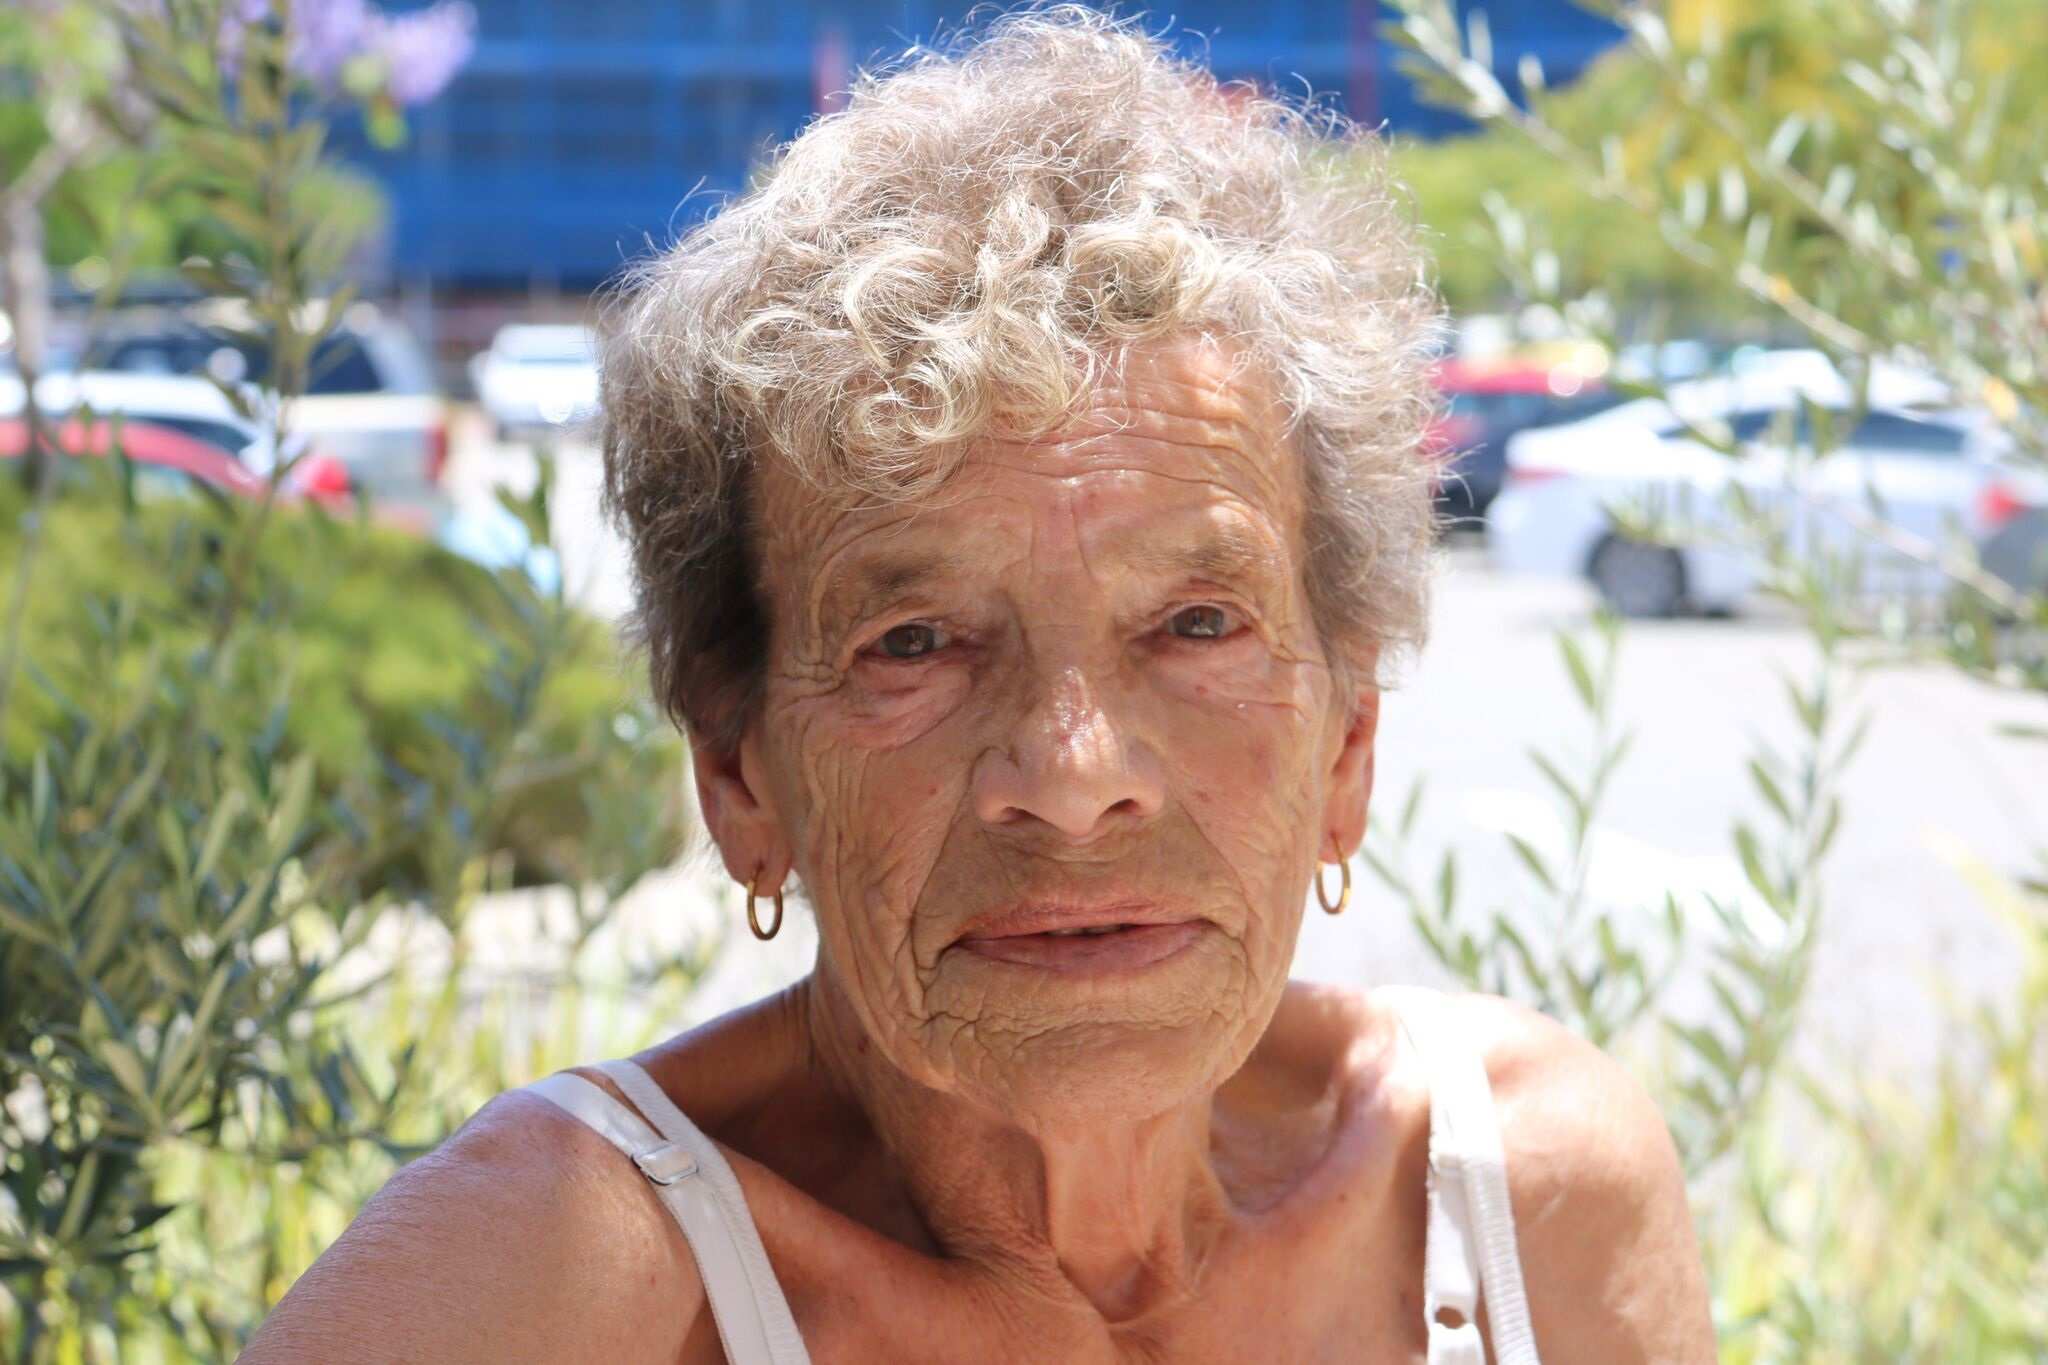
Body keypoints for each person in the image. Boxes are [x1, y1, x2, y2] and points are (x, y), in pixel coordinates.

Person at [242, 9, 1716, 1361]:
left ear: (1349, 743)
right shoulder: (560, 1274)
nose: (1074, 778)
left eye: (1198, 623)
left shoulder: (1526, 1204)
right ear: (739, 774)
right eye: (914, 642)